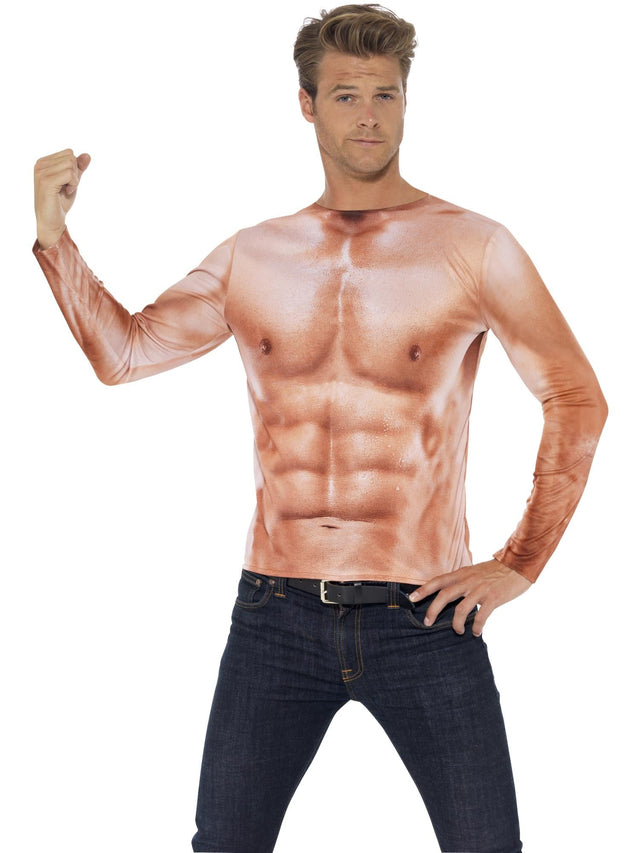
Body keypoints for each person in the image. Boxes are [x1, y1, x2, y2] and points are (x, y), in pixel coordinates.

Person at [32, 4, 607, 852]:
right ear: (306, 105)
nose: (368, 115)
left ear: (407, 101)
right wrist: (56, 239)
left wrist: (520, 562)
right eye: (345, 95)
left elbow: (576, 396)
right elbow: (125, 355)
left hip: (425, 614)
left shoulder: (475, 246)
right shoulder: (253, 254)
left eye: (385, 94)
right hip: (275, 613)